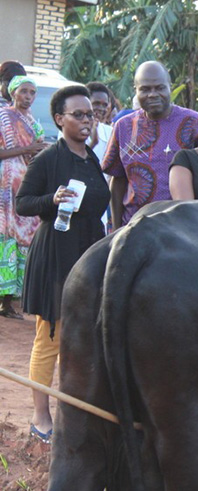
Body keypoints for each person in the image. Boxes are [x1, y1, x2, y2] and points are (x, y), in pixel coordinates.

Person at [15, 84, 110, 443]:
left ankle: (75, 414)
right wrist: (51, 199)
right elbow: (22, 203)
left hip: (88, 253)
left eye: (92, 114)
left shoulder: (92, 159)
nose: (88, 121)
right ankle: (40, 416)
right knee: (50, 336)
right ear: (59, 119)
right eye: (79, 114)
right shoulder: (48, 159)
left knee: (83, 336)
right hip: (55, 254)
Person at [102, 61, 198, 230]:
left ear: (170, 87)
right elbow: (117, 180)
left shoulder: (193, 123)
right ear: (136, 90)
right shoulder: (123, 127)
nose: (153, 94)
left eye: (160, 88)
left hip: (181, 228)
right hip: (135, 227)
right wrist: (116, 227)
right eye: (145, 89)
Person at [0, 76, 48, 318]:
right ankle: (5, 303)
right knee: (5, 237)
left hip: (25, 185)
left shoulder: (32, 121)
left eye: (32, 92)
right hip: (5, 186)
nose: (28, 96)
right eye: (24, 91)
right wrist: (27, 149)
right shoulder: (4, 117)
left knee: (21, 240)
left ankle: (8, 300)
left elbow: (37, 148)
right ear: (12, 93)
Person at [84, 82, 115, 162]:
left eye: (105, 105)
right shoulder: (70, 130)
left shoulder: (110, 132)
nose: (101, 108)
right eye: (96, 103)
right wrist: (93, 143)